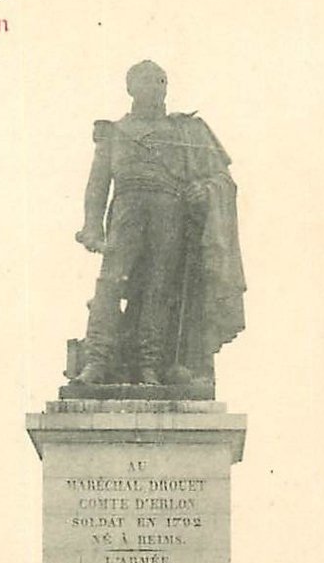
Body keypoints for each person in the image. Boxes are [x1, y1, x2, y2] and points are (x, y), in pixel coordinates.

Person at [73, 60, 246, 387]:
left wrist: (204, 190)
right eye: (149, 81)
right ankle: (96, 360)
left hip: (169, 215)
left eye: (162, 81)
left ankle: (149, 364)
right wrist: (92, 226)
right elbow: (98, 183)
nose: (157, 87)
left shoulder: (183, 131)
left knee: (159, 287)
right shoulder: (114, 133)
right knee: (110, 283)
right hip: (126, 213)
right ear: (131, 87)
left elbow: (220, 177)